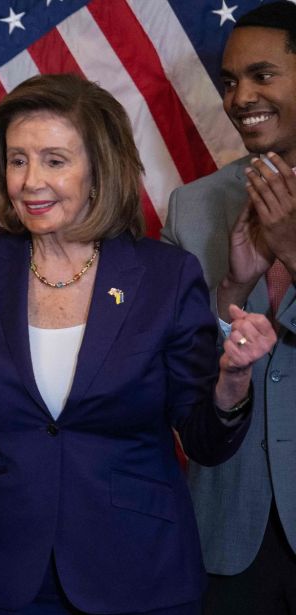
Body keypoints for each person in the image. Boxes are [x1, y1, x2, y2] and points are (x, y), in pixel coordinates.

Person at [0, 73, 275, 615]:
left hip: (139, 571)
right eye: (17, 160)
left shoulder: (165, 276)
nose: (30, 181)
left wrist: (232, 382)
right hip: (8, 573)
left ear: (100, 170)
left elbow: (204, 439)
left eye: (54, 160)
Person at [162, 3, 296, 613]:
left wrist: (292, 252)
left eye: (262, 76)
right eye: (231, 81)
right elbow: (183, 378)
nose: (241, 97)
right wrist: (231, 297)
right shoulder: (192, 207)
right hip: (227, 532)